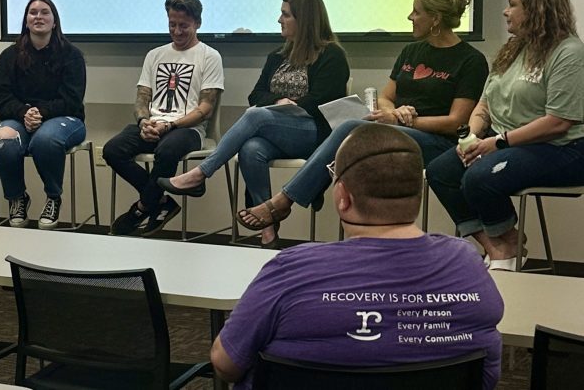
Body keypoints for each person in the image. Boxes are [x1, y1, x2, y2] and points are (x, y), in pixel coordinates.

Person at [210, 124, 503, 389]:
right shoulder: (466, 264)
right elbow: (488, 376)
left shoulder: (290, 269)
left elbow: (226, 364)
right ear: (418, 194)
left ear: (343, 197)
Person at [235, 0, 487, 234]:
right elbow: (387, 97)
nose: (410, 17)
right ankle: (309, 206)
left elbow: (457, 122)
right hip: (399, 134)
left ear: (435, 19)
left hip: (439, 143)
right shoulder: (411, 51)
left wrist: (404, 121)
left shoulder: (470, 60)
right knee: (352, 134)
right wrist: (393, 112)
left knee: (351, 128)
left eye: (416, 12)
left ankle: (283, 201)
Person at [157, 0, 349, 247]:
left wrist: (292, 105)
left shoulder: (332, 55)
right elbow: (256, 94)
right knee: (251, 148)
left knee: (255, 116)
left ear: (304, 20)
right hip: (278, 128)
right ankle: (267, 228)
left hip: (314, 133)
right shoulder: (278, 56)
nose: (279, 20)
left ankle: (201, 173)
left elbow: (325, 101)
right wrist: (279, 102)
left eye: (285, 15)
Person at [427, 0, 584, 271]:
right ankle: (501, 243)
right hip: (504, 142)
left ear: (536, 10)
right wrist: (471, 138)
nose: (505, 11)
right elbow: (484, 104)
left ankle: (504, 249)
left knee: (480, 177)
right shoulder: (513, 49)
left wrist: (498, 142)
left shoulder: (569, 52)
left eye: (512, 5)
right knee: (441, 171)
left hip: (562, 148)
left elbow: (558, 122)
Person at [104, 0, 224, 236]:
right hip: (153, 123)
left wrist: (169, 126)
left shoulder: (210, 57)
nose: (177, 31)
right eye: (172, 24)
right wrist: (144, 121)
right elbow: (142, 98)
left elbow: (205, 109)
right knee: (112, 150)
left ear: (197, 23)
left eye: (184, 26)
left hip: (187, 129)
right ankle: (160, 203)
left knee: (166, 150)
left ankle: (140, 208)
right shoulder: (155, 54)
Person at [0, 0, 87, 229]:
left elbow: (71, 99)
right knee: (2, 141)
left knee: (45, 140)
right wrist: (24, 112)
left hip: (66, 118)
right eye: (33, 13)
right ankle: (17, 198)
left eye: (45, 12)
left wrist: (39, 112)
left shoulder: (71, 55)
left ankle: (53, 197)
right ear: (26, 20)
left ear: (54, 22)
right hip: (20, 116)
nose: (38, 17)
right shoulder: (9, 56)